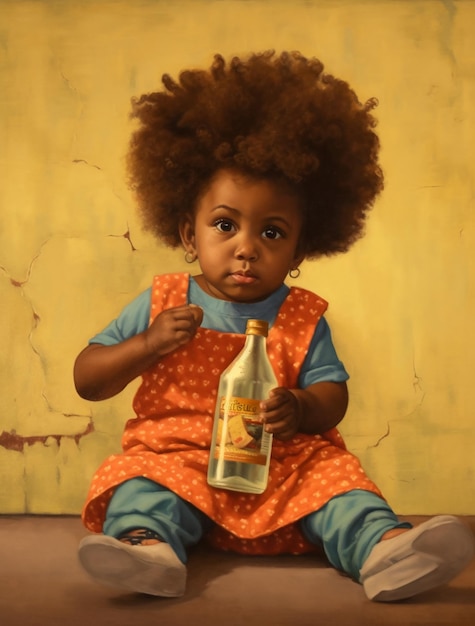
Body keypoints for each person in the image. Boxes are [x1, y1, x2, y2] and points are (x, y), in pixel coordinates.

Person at [74, 51, 474, 602]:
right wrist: (147, 343)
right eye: (224, 224)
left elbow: (333, 395)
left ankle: (385, 550)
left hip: (279, 469)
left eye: (272, 232)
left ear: (300, 249)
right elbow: (88, 379)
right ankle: (148, 549)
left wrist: (302, 407)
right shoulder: (163, 301)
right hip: (180, 461)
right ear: (189, 235)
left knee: (339, 484)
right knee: (141, 483)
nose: (245, 247)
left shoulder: (302, 315)